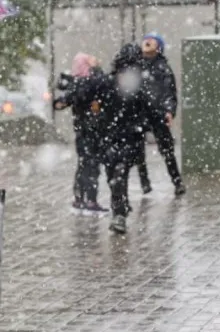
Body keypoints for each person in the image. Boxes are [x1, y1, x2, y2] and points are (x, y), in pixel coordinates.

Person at [65, 43, 164, 234]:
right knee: (117, 175)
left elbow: (149, 110)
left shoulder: (123, 85)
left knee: (117, 175)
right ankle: (120, 208)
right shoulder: (112, 84)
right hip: (117, 137)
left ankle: (119, 212)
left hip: (119, 137)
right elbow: (91, 101)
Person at [53, 52, 110, 215]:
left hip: (82, 130)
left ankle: (79, 198)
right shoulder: (92, 81)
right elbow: (103, 85)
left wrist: (60, 102)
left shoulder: (76, 83)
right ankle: (90, 200)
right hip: (94, 130)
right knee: (92, 165)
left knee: (84, 164)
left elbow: (63, 101)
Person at [138, 33, 186, 196]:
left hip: (157, 113)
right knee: (137, 149)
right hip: (138, 113)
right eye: (146, 39)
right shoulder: (136, 65)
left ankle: (177, 181)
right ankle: (144, 182)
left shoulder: (162, 68)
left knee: (167, 150)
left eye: (152, 40)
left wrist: (168, 111)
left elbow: (169, 92)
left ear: (158, 47)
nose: (147, 41)